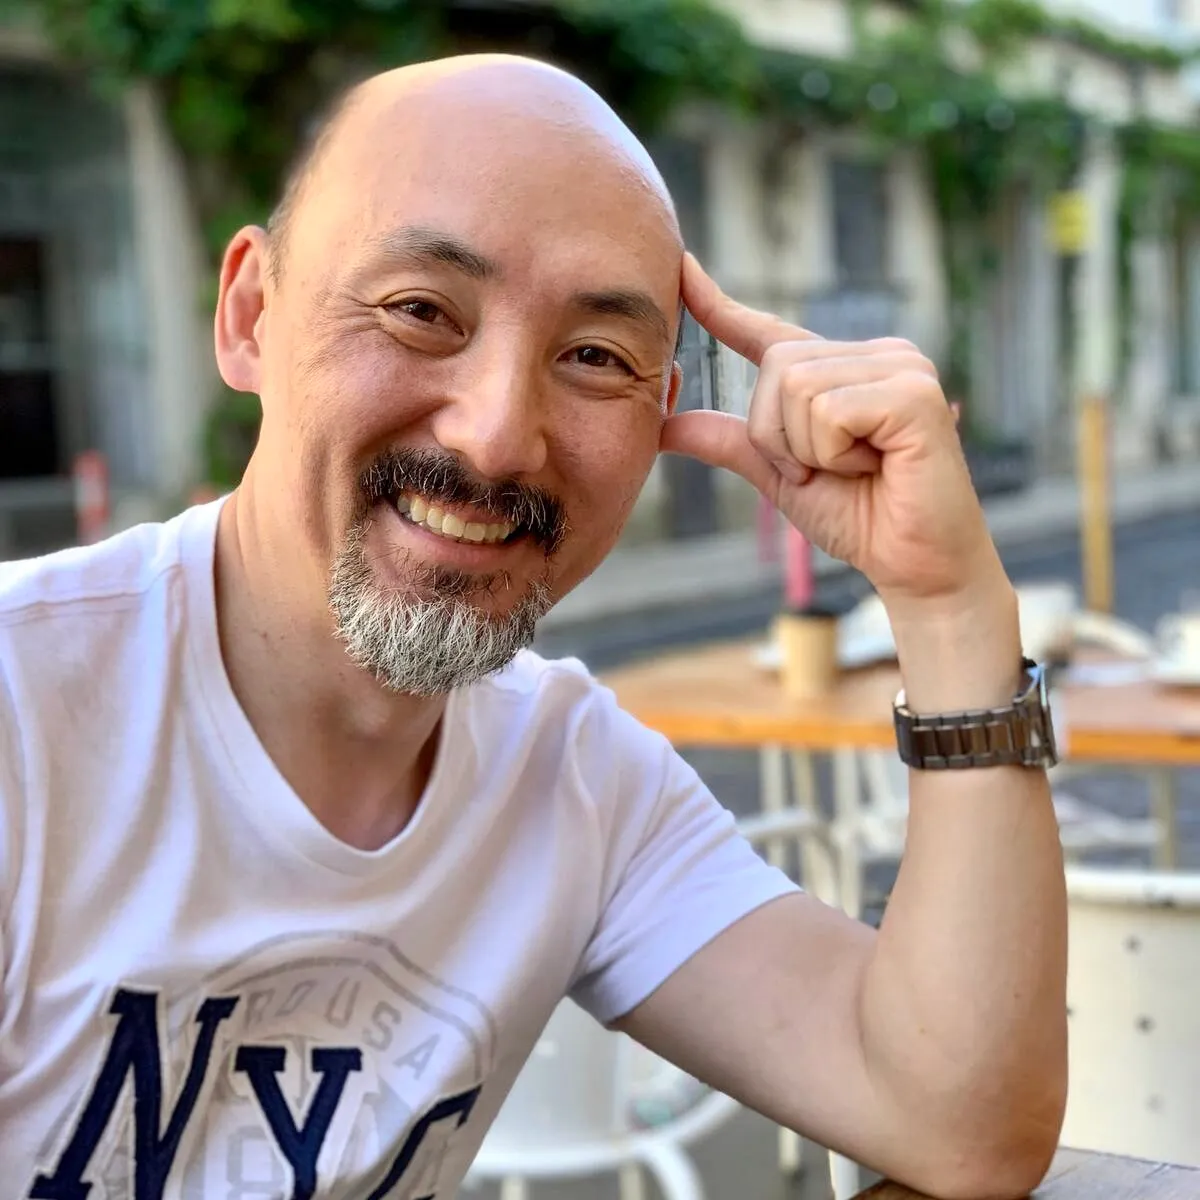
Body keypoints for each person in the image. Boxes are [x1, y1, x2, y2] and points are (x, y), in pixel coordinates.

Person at [0, 54, 1067, 1200]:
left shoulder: (575, 781)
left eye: (595, 358)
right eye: (420, 311)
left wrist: (950, 605)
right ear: (251, 314)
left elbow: (956, 1120)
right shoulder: (26, 711)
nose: (499, 434)